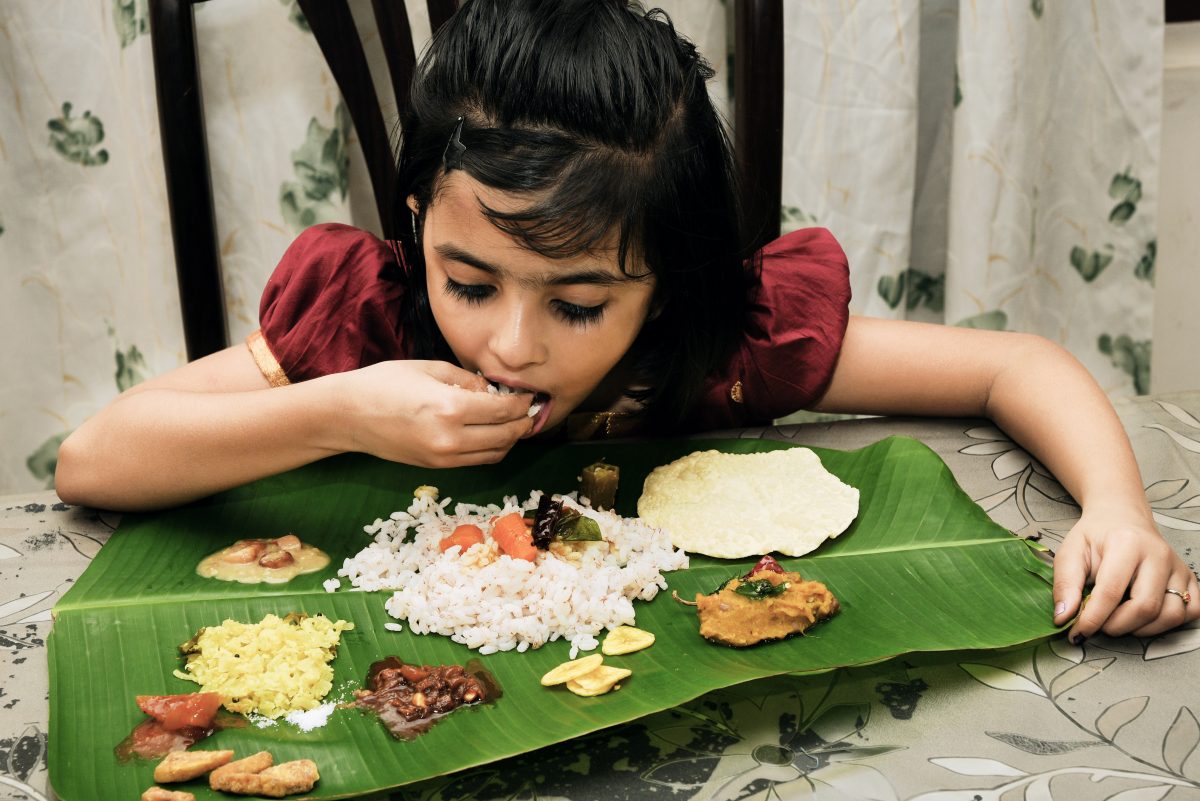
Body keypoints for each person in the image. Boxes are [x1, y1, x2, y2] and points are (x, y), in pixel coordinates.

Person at [55, 0, 1197, 644]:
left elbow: (1010, 366)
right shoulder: (372, 322)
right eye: (471, 282)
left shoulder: (725, 338)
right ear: (415, 227)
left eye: (581, 303)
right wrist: (336, 409)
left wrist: (1118, 508)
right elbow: (95, 459)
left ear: (668, 278)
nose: (509, 342)